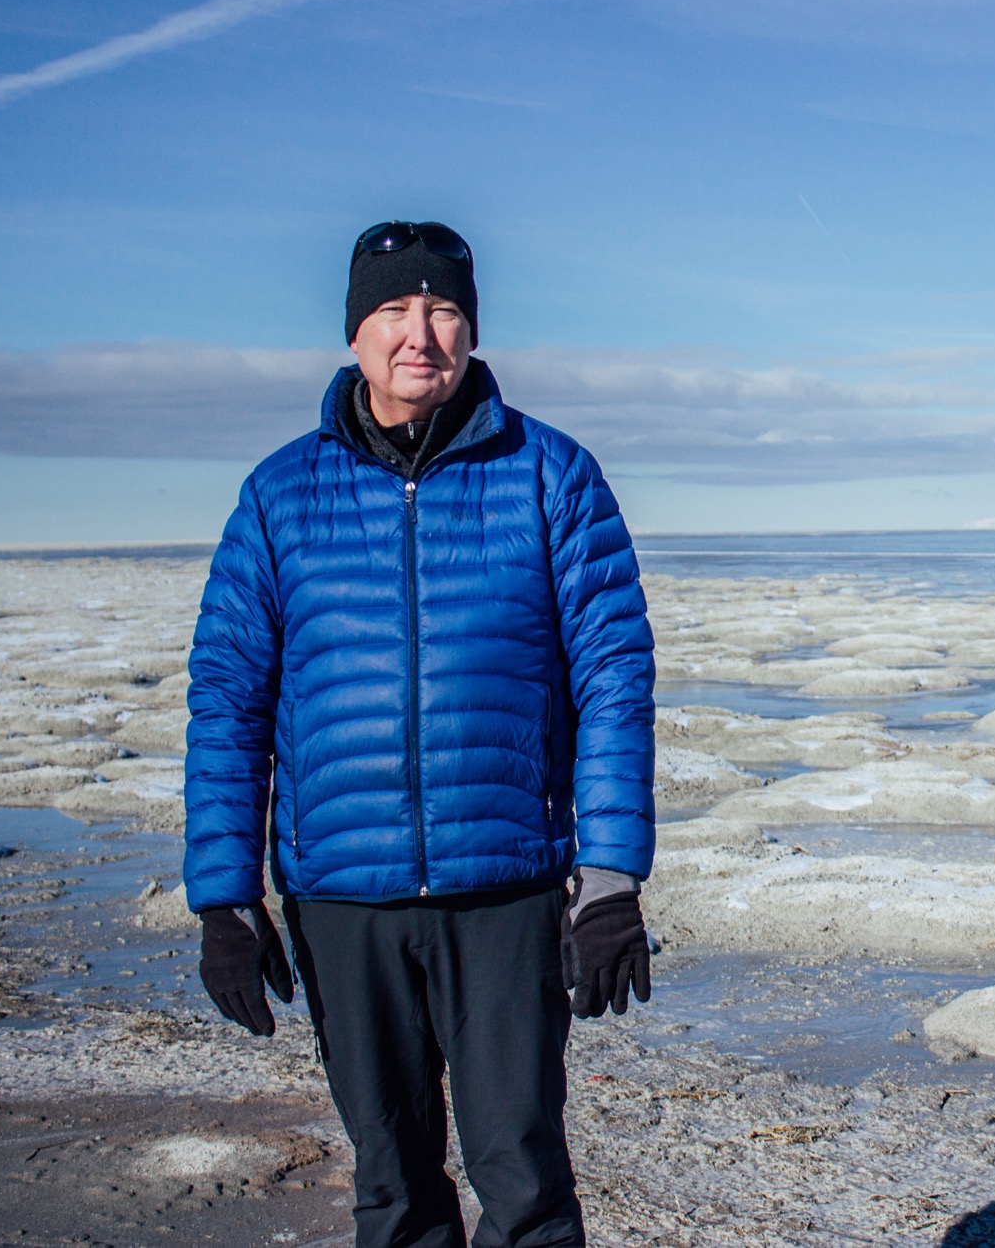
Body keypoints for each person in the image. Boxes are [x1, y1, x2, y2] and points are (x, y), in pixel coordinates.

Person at [183, 219, 656, 1248]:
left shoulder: (550, 475)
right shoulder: (280, 496)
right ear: (355, 333)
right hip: (342, 897)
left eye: (442, 308)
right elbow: (228, 696)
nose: (419, 333)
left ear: (471, 330)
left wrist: (611, 879)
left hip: (507, 891)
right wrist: (225, 897)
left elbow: (613, 678)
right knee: (391, 1181)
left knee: (523, 1175)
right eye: (393, 308)